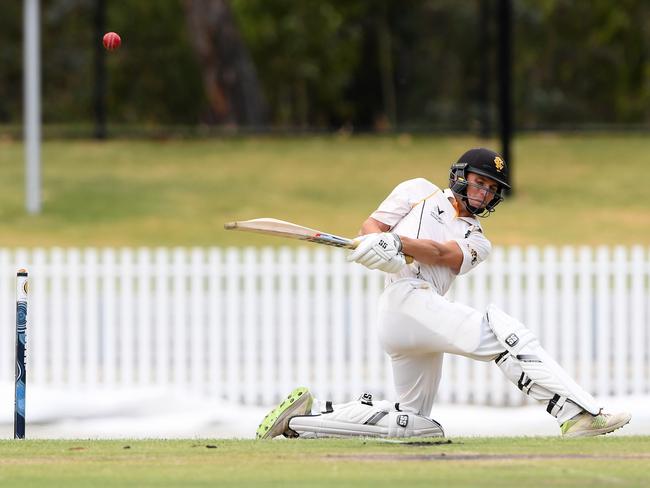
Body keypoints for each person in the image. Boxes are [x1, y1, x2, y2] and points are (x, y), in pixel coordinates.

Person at [256, 148, 631, 440]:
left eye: (491, 189)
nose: (483, 193)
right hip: (403, 300)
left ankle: (303, 421)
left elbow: (442, 256)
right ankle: (578, 414)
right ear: (461, 177)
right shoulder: (416, 190)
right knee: (503, 333)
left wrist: (398, 243)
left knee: (414, 424)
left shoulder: (477, 240)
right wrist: (377, 244)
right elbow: (372, 224)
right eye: (479, 182)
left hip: (420, 312)